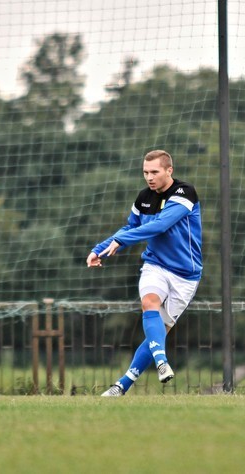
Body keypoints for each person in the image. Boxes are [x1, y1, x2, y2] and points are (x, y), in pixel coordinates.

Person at [87, 149, 202, 396]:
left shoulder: (185, 193)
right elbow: (130, 226)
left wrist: (121, 240)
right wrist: (99, 249)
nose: (149, 177)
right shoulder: (143, 198)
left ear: (169, 171)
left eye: (154, 172)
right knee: (149, 302)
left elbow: (160, 225)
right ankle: (161, 362)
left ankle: (123, 384)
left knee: (158, 333)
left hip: (186, 276)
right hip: (155, 265)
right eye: (145, 172)